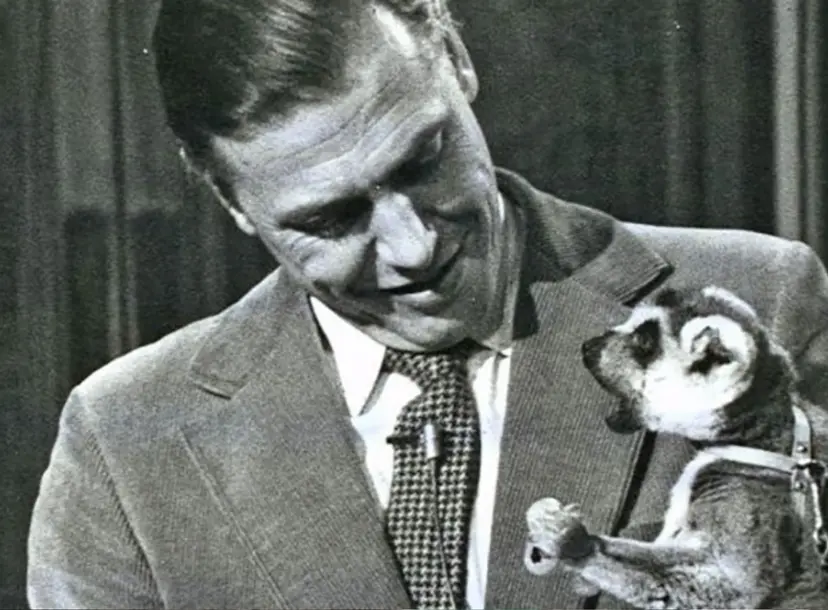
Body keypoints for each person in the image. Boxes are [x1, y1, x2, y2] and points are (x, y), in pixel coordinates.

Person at [26, 0, 828, 608]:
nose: (413, 246)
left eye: (424, 157)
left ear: (453, 51)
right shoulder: (125, 442)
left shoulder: (767, 305)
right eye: (328, 220)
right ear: (228, 196)